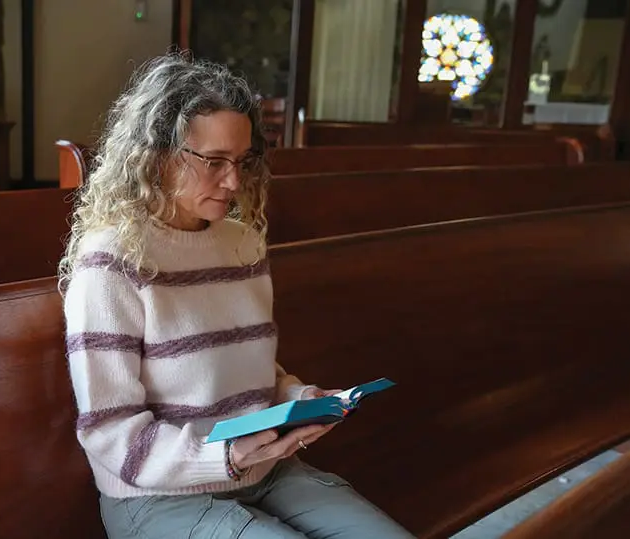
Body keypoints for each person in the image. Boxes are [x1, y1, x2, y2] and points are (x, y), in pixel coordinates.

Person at [59, 53, 413, 539]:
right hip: (157, 498)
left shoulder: (242, 244)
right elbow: (109, 431)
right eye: (214, 161)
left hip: (263, 470)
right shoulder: (112, 263)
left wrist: (301, 400)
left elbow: (251, 374)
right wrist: (220, 455)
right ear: (158, 155)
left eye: (243, 161)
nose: (233, 181)